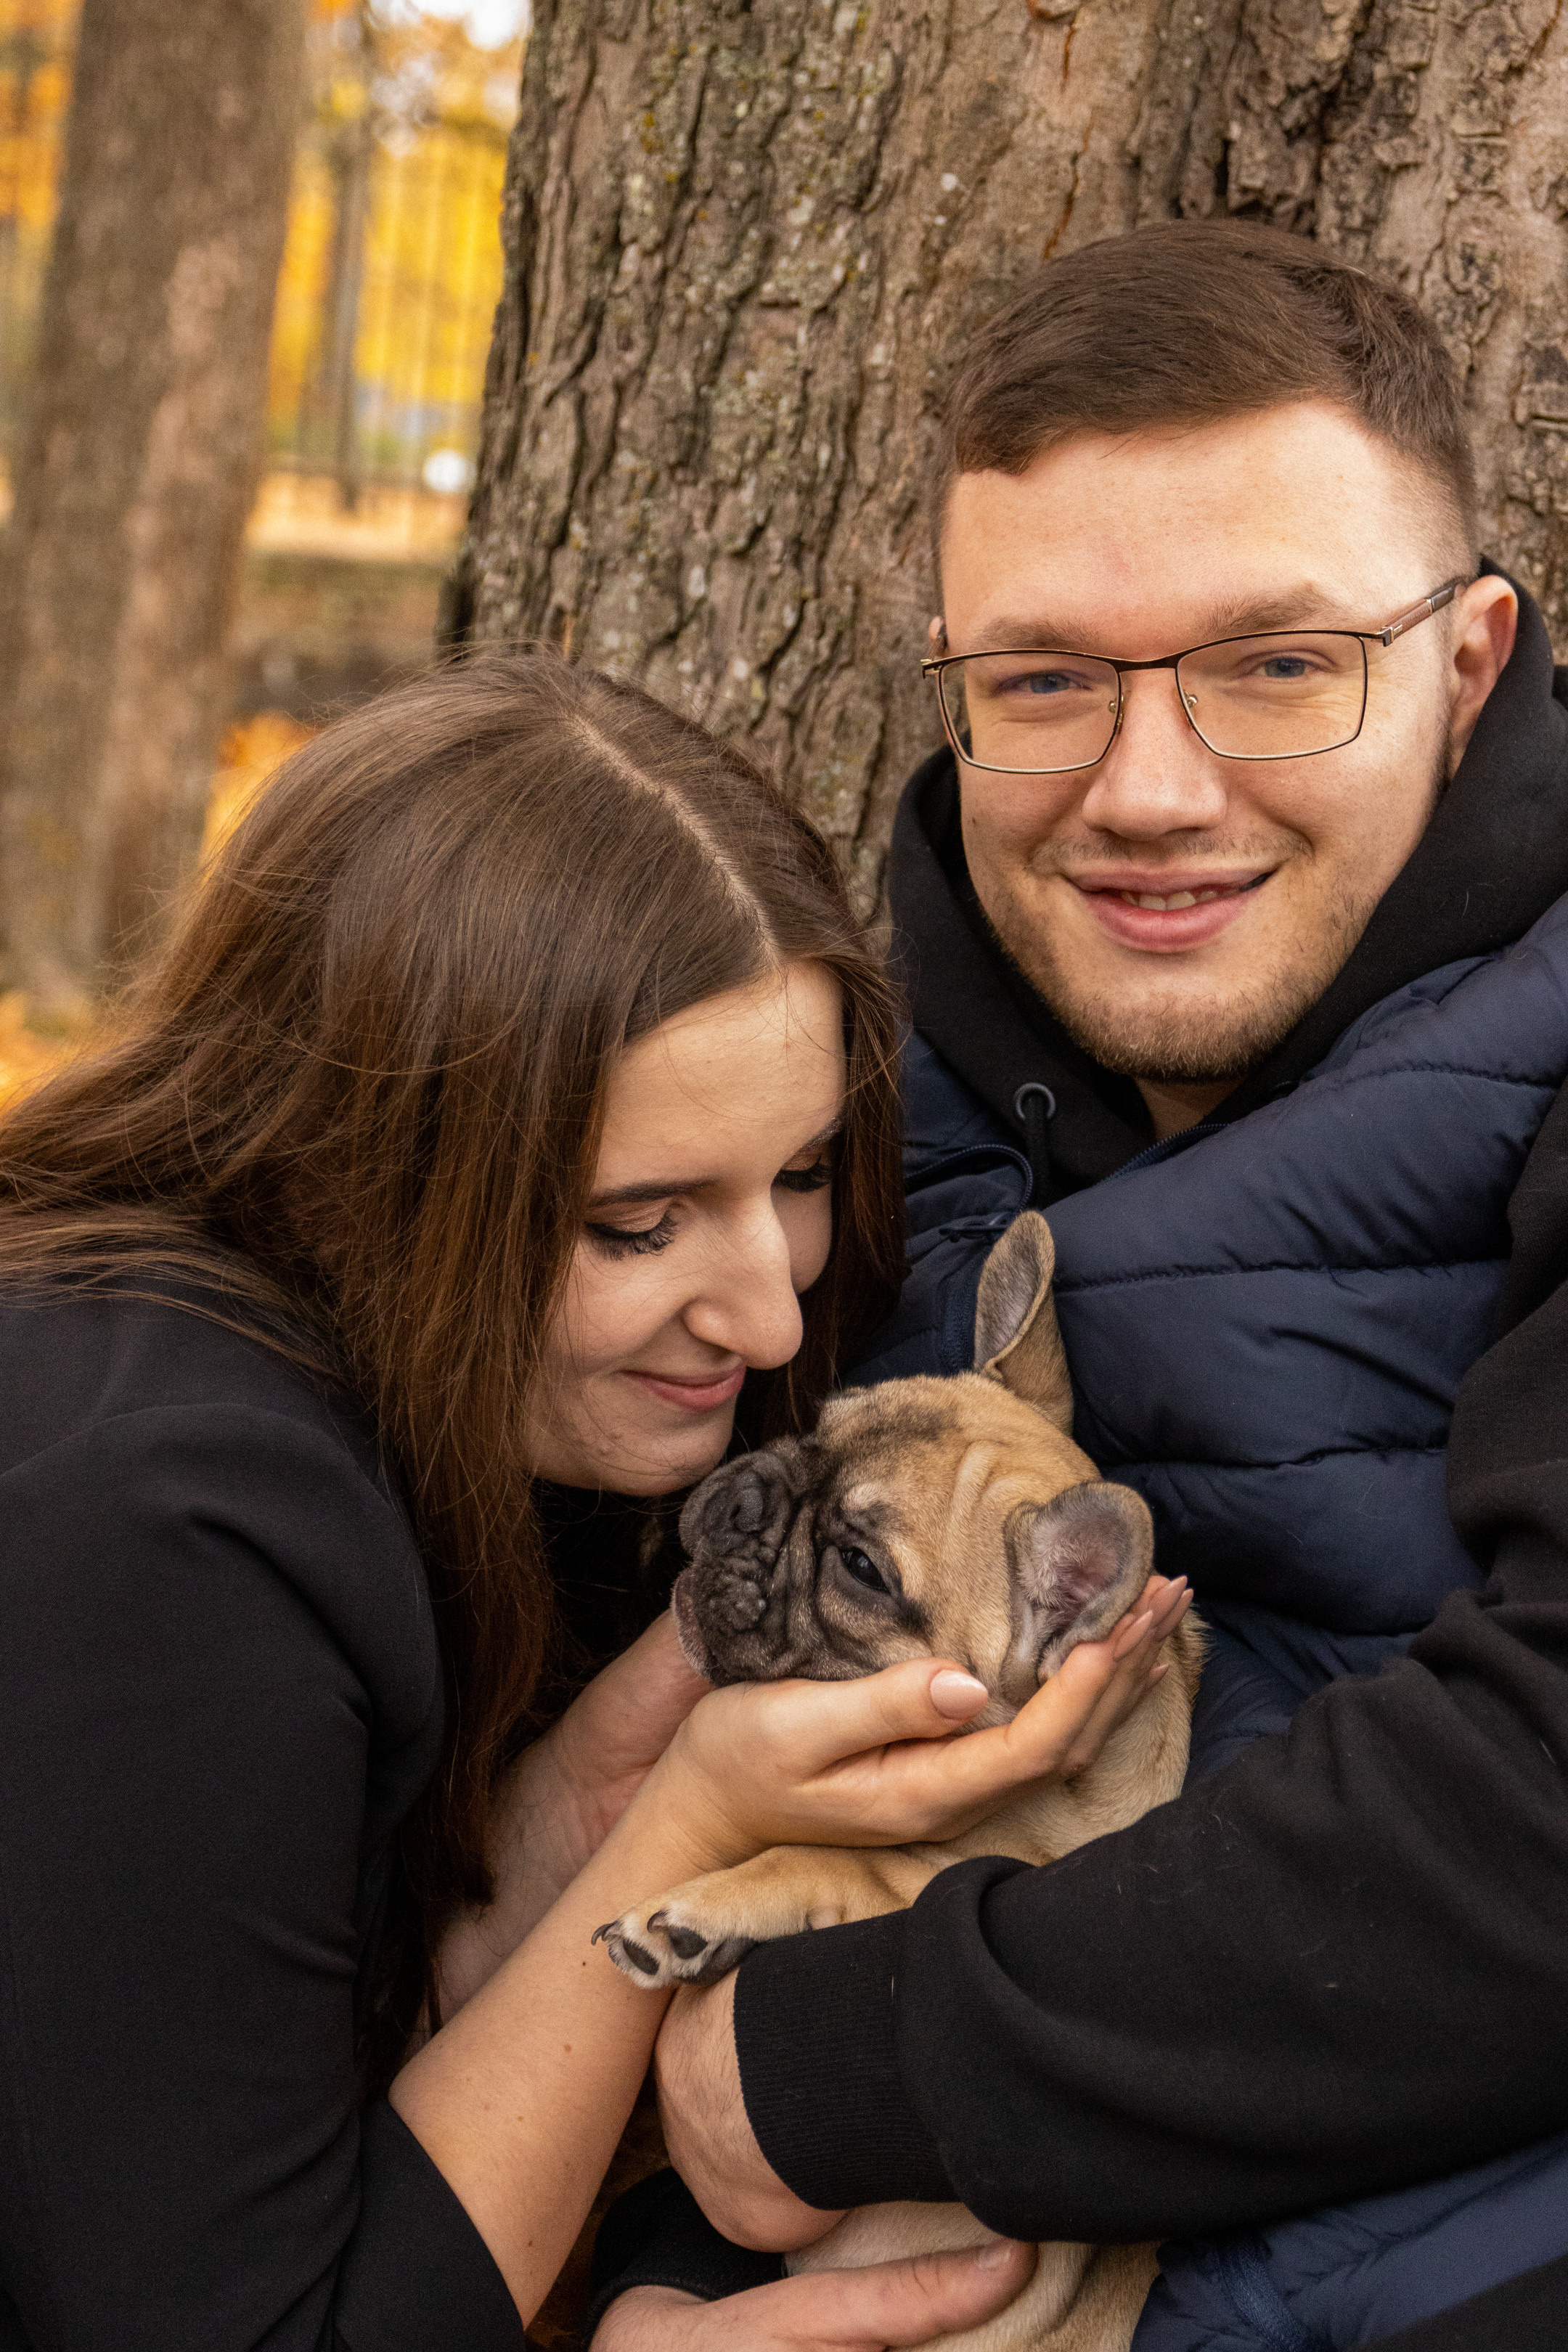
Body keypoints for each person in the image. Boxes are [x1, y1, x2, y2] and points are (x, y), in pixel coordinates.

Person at [0, 650, 1192, 2350]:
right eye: (636, 1223)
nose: (773, 1317)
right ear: (374, 1163)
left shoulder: (385, 1403)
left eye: (793, 1179)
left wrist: (566, 1815)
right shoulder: (159, 1535)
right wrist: (682, 1833)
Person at [626, 225, 1568, 2349]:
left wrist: (817, 2069)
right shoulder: (833, 1088)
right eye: (1046, 681)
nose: (1151, 794)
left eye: (1277, 662)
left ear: (1473, 660)